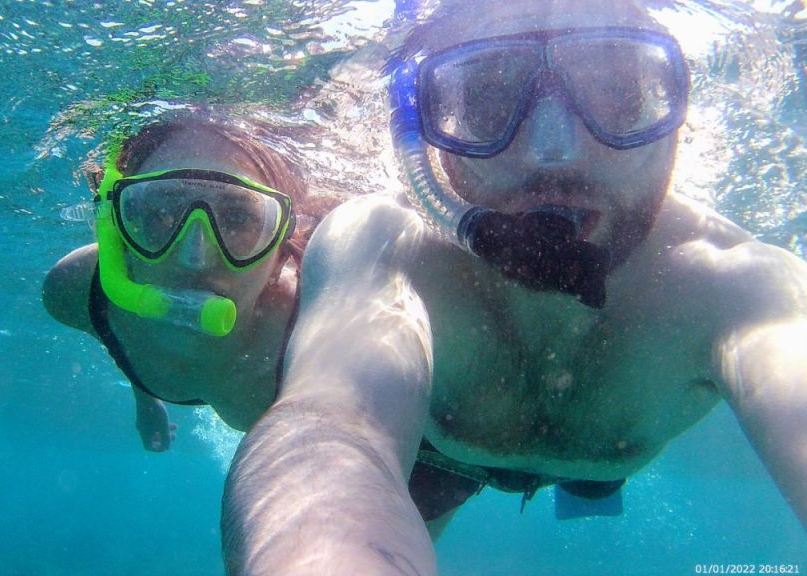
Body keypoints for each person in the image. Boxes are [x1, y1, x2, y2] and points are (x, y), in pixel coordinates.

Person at [221, 1, 807, 574]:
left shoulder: (738, 284)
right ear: (425, 125)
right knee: (414, 497)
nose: (553, 151)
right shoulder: (386, 244)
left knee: (593, 482)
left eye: (618, 93)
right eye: (487, 98)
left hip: (592, 467)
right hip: (446, 461)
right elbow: (330, 423)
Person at [43, 112, 337, 450]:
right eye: (160, 213)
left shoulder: (320, 333)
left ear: (280, 253)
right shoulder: (76, 291)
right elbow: (118, 335)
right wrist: (146, 398)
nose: (194, 257)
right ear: (119, 235)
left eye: (237, 217)